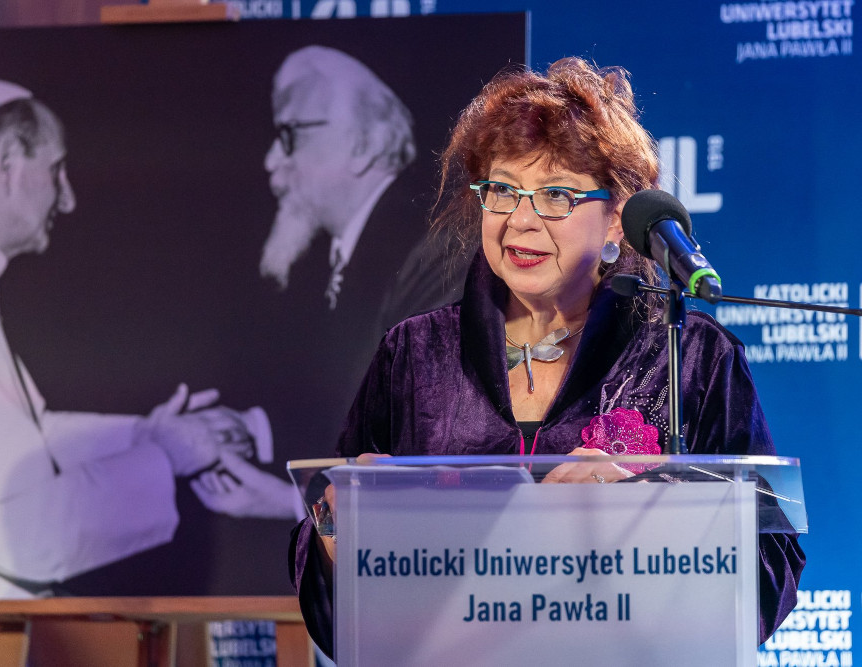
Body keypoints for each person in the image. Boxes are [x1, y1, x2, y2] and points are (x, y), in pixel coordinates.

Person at [289, 58, 805, 656]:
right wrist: (337, 527)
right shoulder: (414, 354)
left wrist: (655, 519)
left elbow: (774, 563)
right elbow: (330, 599)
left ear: (617, 219)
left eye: (555, 195)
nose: (521, 220)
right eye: (502, 190)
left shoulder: (690, 356)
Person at [0, 80, 294, 610]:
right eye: (56, 170)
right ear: (8, 162)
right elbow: (25, 538)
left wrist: (145, 435)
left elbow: (27, 442)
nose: (67, 198)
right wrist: (165, 458)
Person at [260, 45, 419, 312]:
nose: (271, 160)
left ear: (364, 144)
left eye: (290, 133)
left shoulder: (419, 256)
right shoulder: (321, 263)